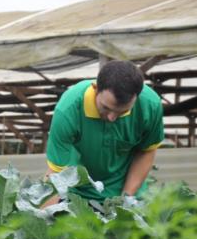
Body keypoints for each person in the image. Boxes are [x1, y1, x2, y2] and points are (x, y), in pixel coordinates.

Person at [43, 59, 165, 205]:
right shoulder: (68, 109)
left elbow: (146, 151)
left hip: (127, 190)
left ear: (137, 98)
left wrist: (125, 201)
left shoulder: (150, 106)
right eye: (106, 108)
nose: (112, 117)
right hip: (78, 195)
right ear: (95, 88)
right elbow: (56, 176)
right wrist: (45, 218)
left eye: (122, 112)